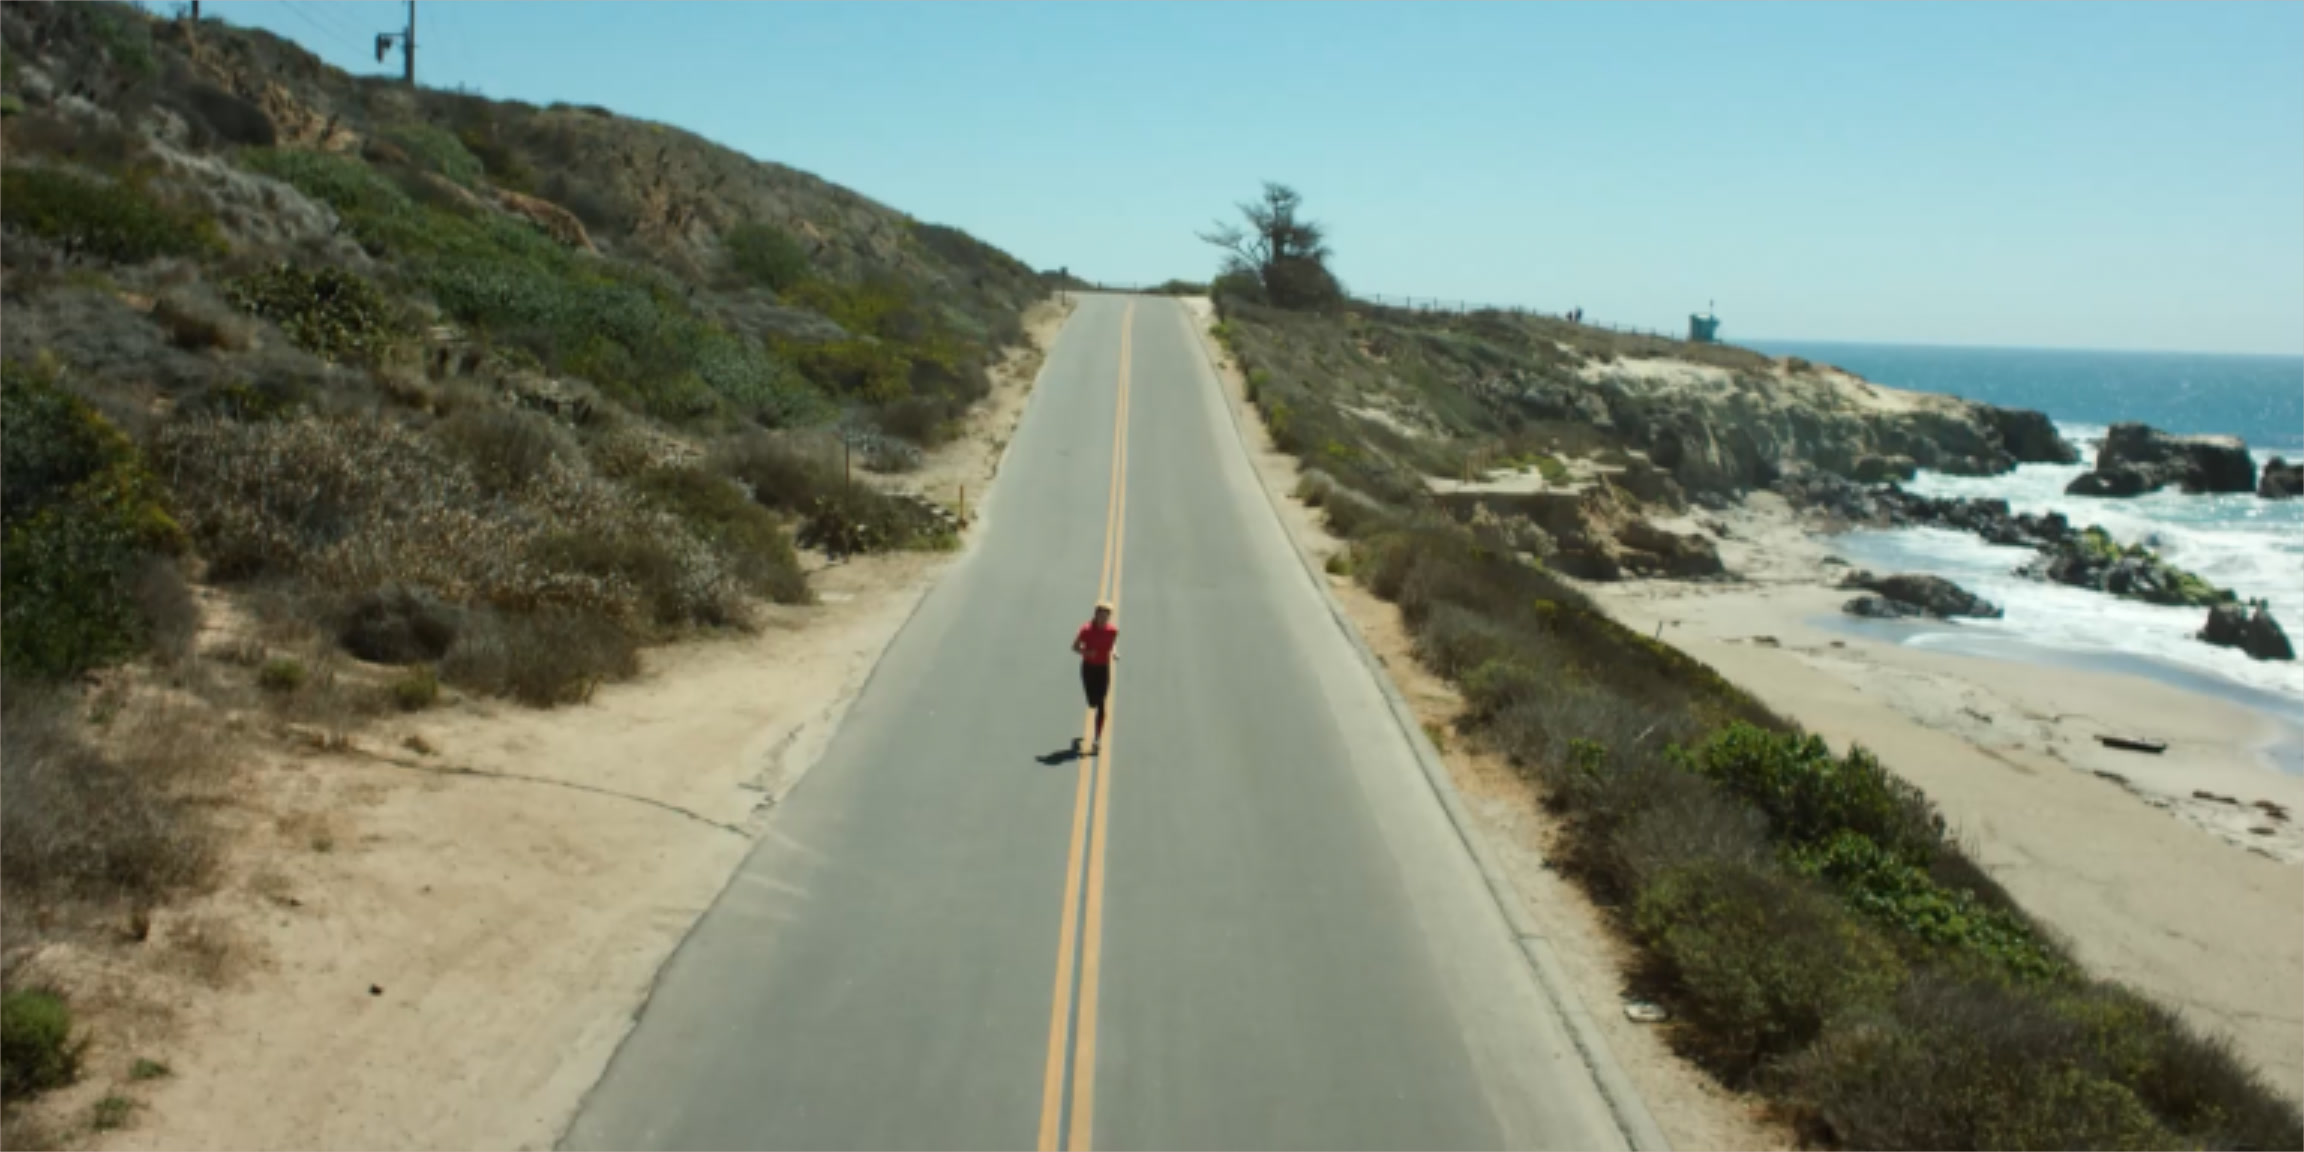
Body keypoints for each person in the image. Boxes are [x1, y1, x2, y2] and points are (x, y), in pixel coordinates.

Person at [1071, 601, 1118, 754]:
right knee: (1092, 702)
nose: (1103, 619)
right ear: (1096, 615)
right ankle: (1076, 743)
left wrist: (1114, 652)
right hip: (1088, 669)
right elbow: (1074, 646)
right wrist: (1086, 652)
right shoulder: (1086, 630)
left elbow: (1111, 644)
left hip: (1103, 669)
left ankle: (1097, 739)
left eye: (1106, 616)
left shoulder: (1112, 631)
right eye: (1101, 616)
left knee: (1101, 703)